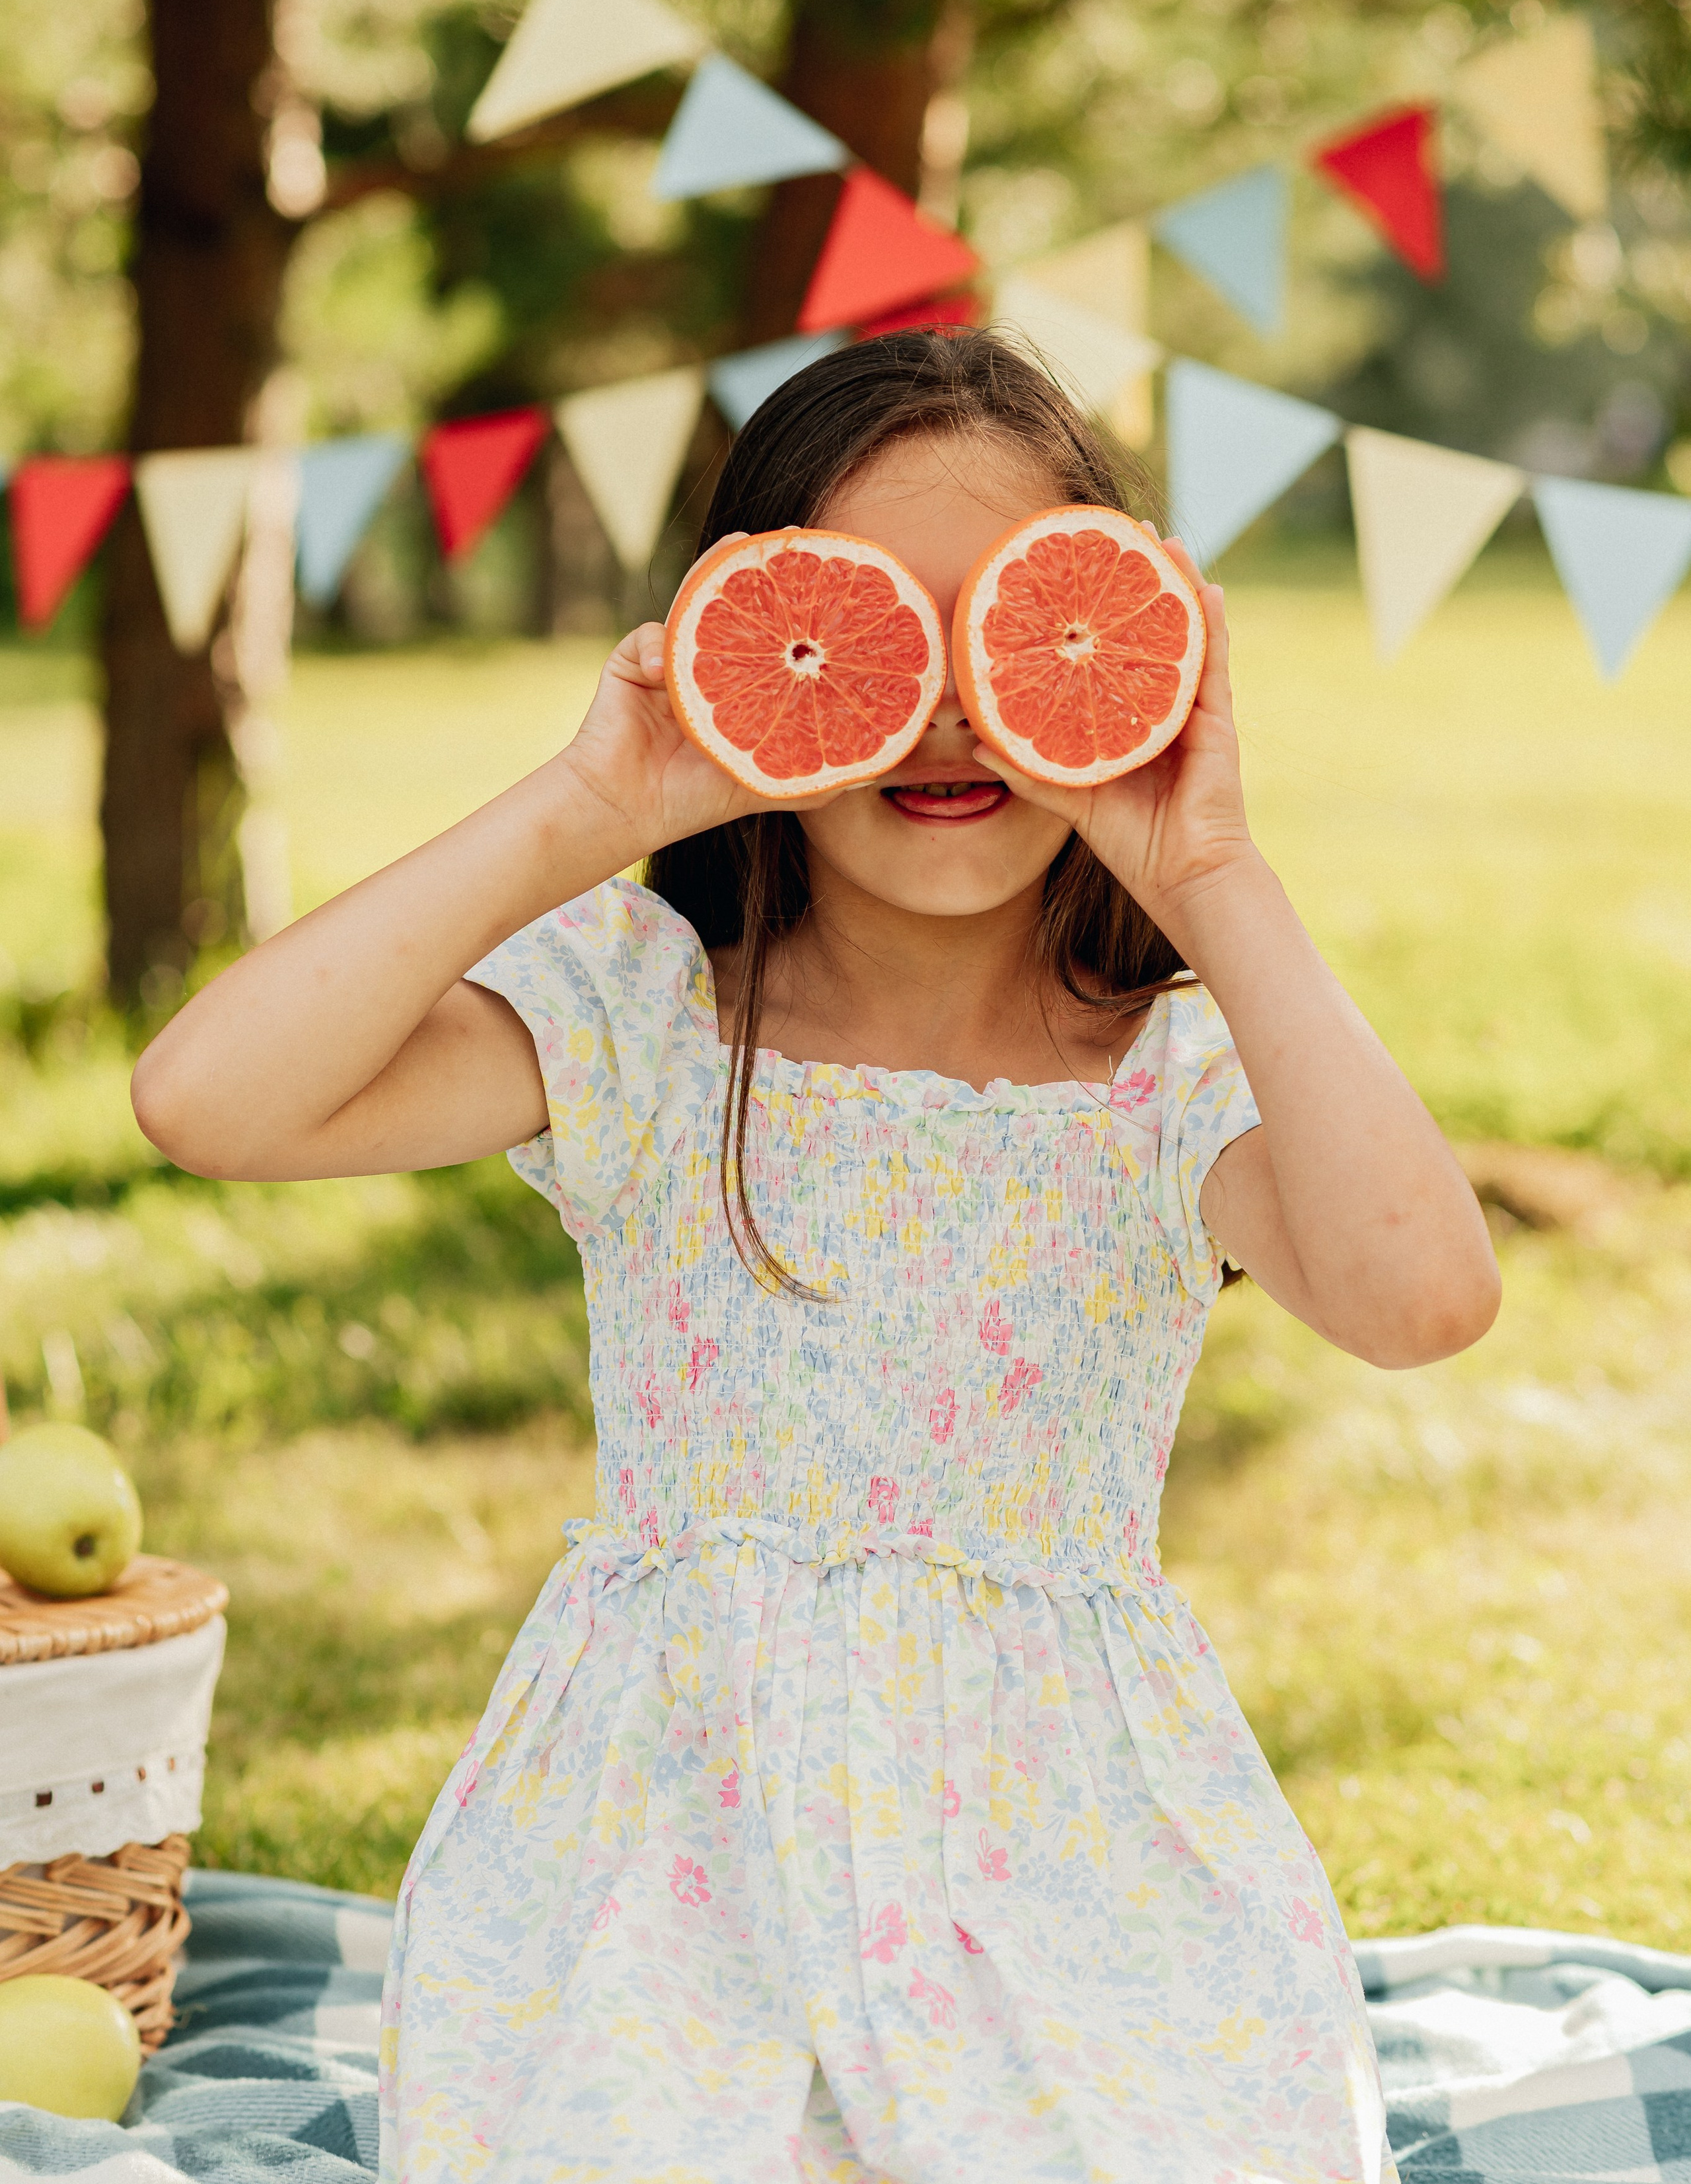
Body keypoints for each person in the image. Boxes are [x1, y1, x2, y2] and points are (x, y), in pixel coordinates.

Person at [133, 328, 1499, 2183]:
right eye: (870, 637)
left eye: (1010, 638)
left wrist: (1215, 875)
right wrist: (586, 812)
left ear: (1115, 660)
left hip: (1070, 1864)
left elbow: (1426, 1301)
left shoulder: (1172, 1072)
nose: (944, 710)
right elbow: (211, 1102)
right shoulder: (642, 1016)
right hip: (671, 1849)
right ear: (745, 648)